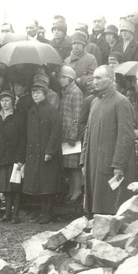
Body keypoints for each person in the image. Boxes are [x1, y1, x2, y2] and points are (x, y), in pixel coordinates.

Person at [81, 65, 134, 215]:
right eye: (93, 78)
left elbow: (126, 136)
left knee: (109, 207)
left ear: (111, 79)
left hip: (109, 164)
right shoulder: (94, 102)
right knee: (93, 207)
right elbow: (87, 132)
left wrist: (118, 164)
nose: (94, 81)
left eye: (99, 78)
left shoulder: (121, 102)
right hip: (93, 162)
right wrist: (83, 159)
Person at [23, 76, 63, 224]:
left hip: (47, 154)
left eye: (38, 92)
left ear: (45, 94)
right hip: (34, 154)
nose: (35, 95)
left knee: (48, 185)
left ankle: (47, 213)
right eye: (33, 92)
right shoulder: (32, 111)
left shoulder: (52, 111)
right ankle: (41, 212)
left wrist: (49, 151)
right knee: (38, 185)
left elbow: (55, 133)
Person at [0, 90, 24, 222]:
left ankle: (15, 214)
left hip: (13, 157)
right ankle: (7, 213)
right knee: (5, 187)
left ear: (13, 102)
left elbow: (22, 139)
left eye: (7, 100)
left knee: (14, 186)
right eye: (2, 101)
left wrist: (20, 159)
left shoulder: (18, 117)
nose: (4, 103)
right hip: (0, 157)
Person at [57, 66, 84, 205]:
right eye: (60, 77)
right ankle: (71, 190)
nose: (61, 80)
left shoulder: (76, 93)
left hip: (72, 135)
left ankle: (77, 190)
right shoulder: (65, 92)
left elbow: (77, 116)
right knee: (68, 165)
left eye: (64, 77)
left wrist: (73, 135)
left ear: (71, 78)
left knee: (74, 165)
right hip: (65, 133)